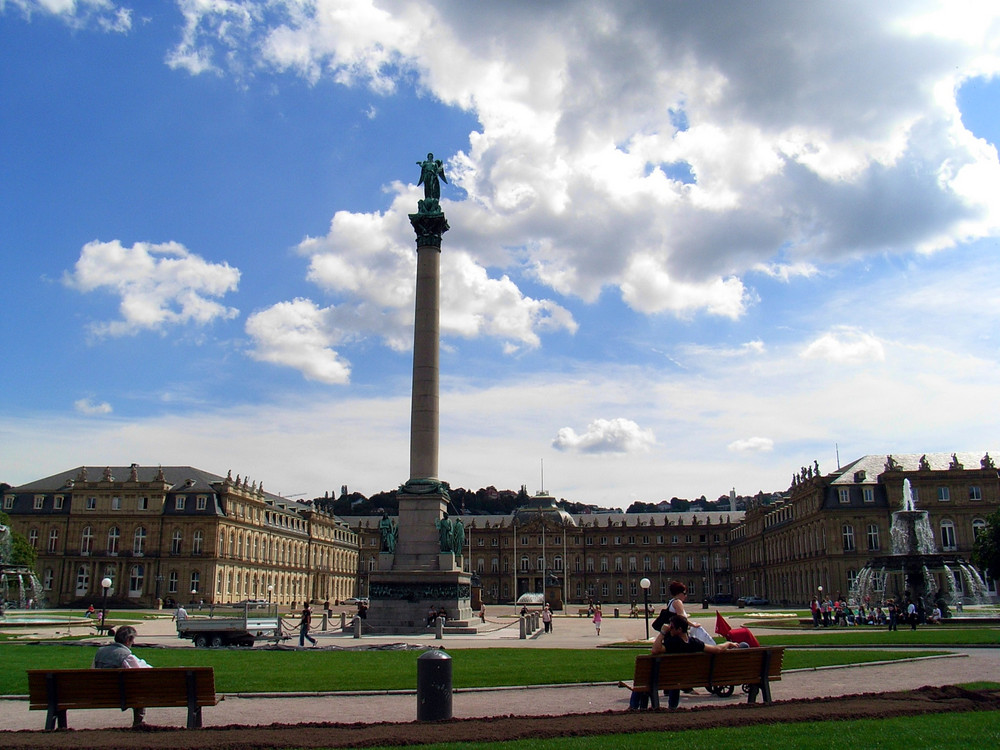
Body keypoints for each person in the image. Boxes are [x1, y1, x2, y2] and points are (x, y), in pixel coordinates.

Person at [658, 615, 740, 709]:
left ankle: (668, 707)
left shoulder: (673, 643)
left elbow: (655, 650)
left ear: (679, 629)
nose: (670, 629)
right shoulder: (694, 643)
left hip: (675, 678)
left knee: (644, 687)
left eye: (671, 627)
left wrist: (662, 632)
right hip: (695, 677)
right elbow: (718, 649)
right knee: (744, 645)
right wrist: (729, 643)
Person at [92, 625, 151, 727]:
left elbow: (92, 670)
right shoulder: (126, 656)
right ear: (128, 640)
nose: (134, 643)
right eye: (133, 640)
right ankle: (139, 723)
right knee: (139, 690)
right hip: (122, 694)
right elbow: (140, 671)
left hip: (100, 693)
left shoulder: (100, 652)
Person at [652, 581, 714, 646]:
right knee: (699, 631)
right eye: (684, 593)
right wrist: (693, 625)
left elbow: (676, 615)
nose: (686, 596)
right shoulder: (678, 602)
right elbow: (682, 619)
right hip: (679, 635)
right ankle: (712, 647)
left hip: (672, 634)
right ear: (679, 593)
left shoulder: (671, 602)